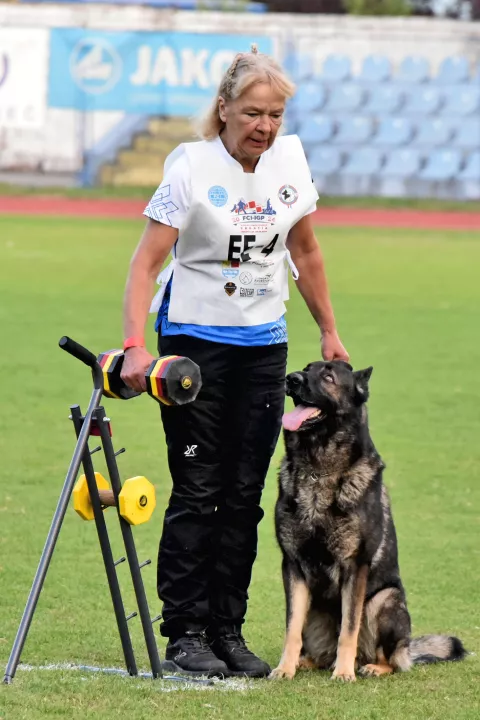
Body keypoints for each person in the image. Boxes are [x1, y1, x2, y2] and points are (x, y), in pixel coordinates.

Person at [120, 45, 349, 679]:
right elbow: (144, 264)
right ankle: (185, 631)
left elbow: (307, 253)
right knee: (199, 490)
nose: (265, 126)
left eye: (274, 114)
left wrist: (329, 329)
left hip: (263, 349)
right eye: (253, 113)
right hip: (193, 345)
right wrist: (136, 344)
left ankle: (228, 629)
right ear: (224, 109)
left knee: (246, 495)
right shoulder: (190, 168)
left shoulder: (289, 164)